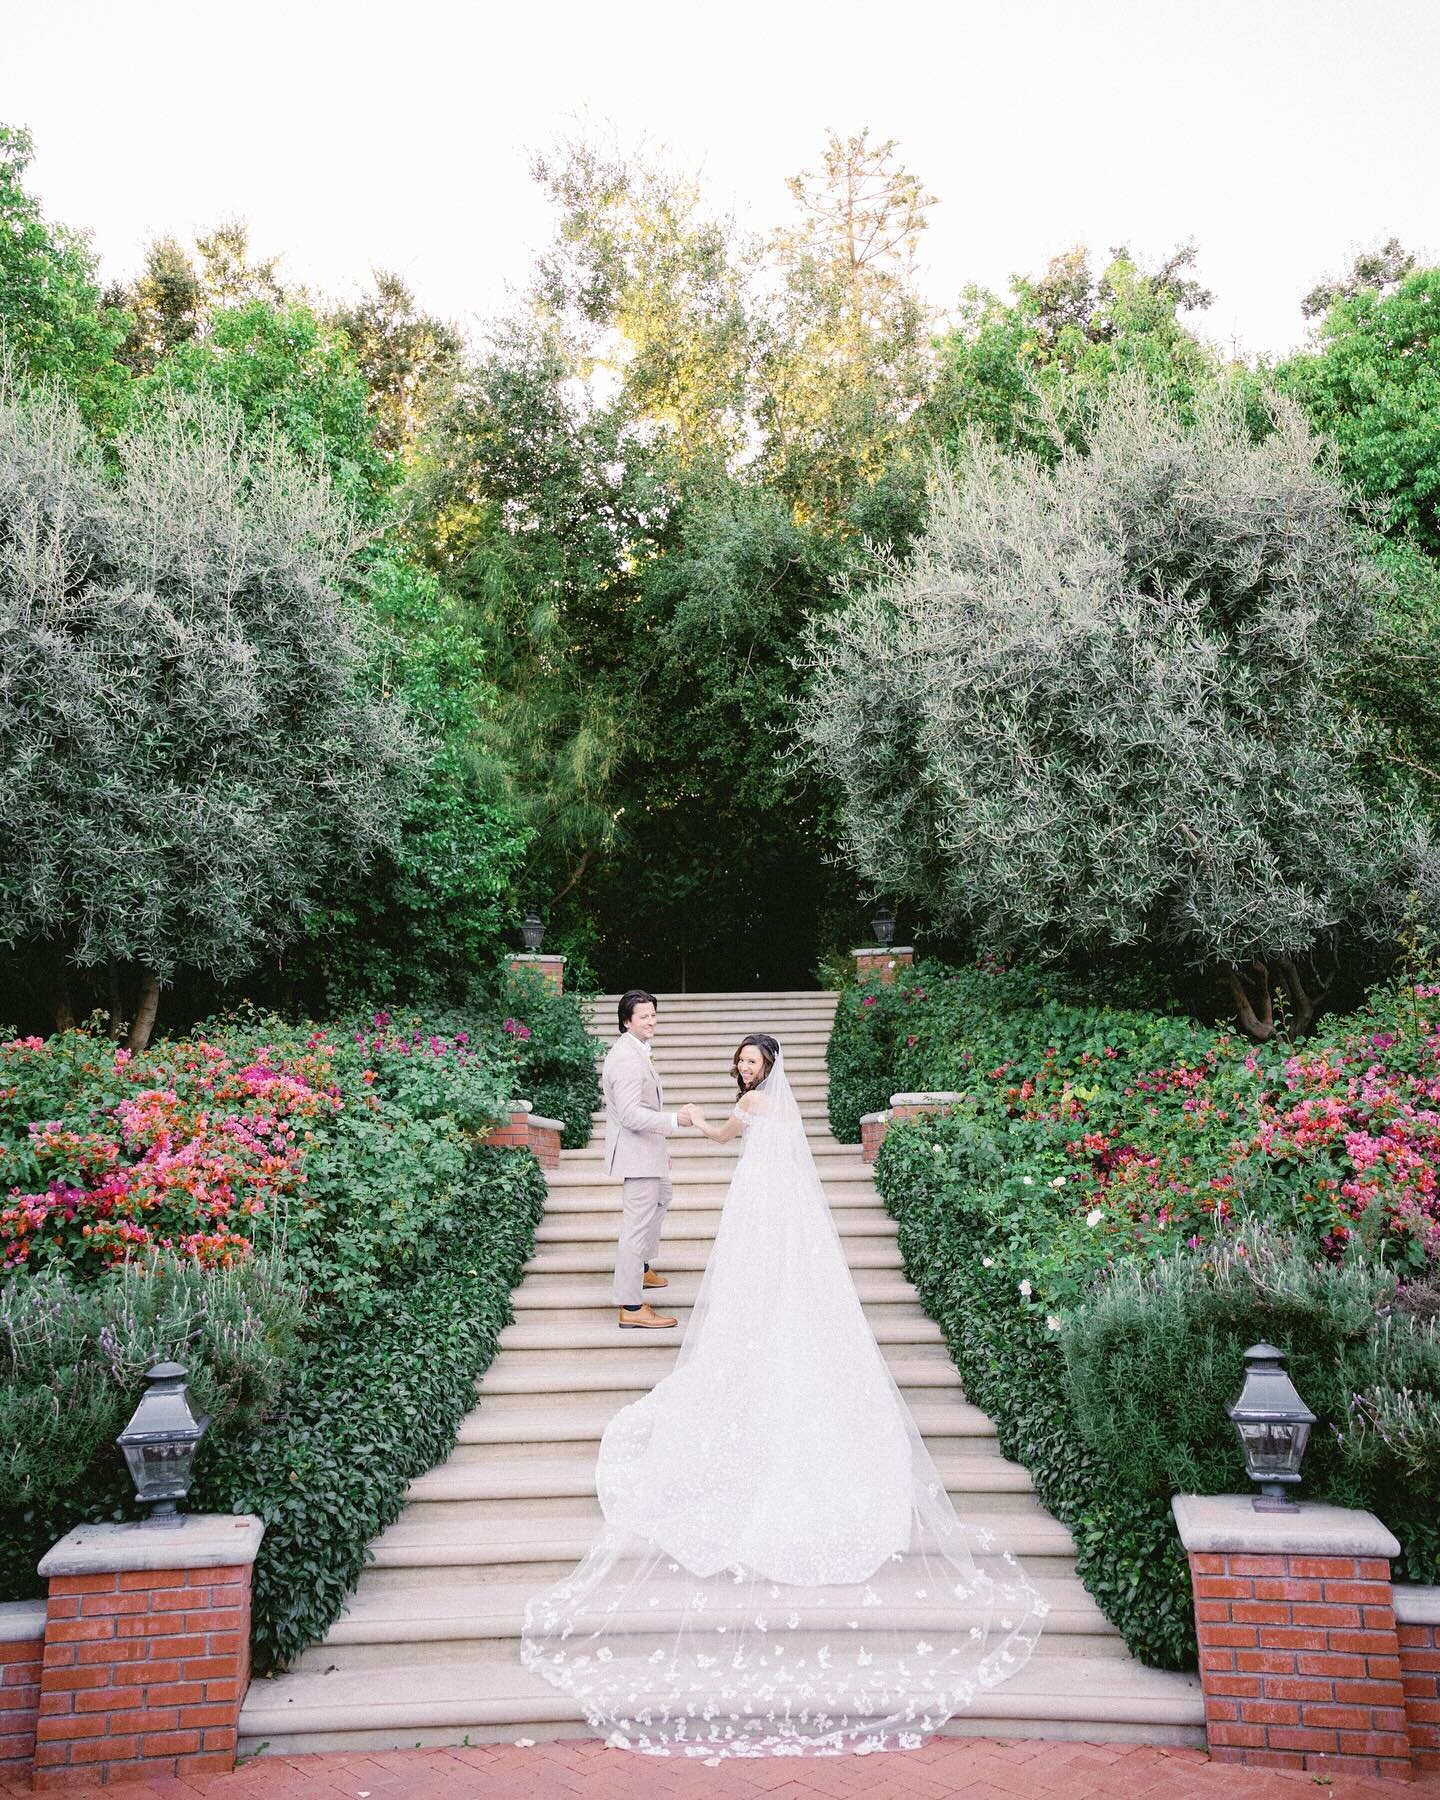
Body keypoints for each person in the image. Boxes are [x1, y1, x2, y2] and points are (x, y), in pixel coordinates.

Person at [521, 1032, 1046, 1758]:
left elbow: (723, 1135)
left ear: (769, 1065)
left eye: (751, 1059)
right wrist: (707, 1119)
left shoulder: (754, 1102)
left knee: (759, 1300)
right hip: (774, 1212)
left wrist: (700, 1119)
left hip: (759, 1215)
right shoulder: (771, 1104)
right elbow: (733, 1134)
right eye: (739, 1059)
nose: (745, 1066)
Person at [601, 989, 698, 1330]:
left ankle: (642, 1266)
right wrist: (675, 1121)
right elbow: (629, 1115)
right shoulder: (626, 1058)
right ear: (626, 1021)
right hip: (636, 1155)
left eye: (653, 1015)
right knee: (635, 1227)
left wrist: (661, 1148)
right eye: (644, 1016)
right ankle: (630, 1304)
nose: (651, 1021)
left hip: (649, 1150)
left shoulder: (638, 1050)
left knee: (664, 1195)